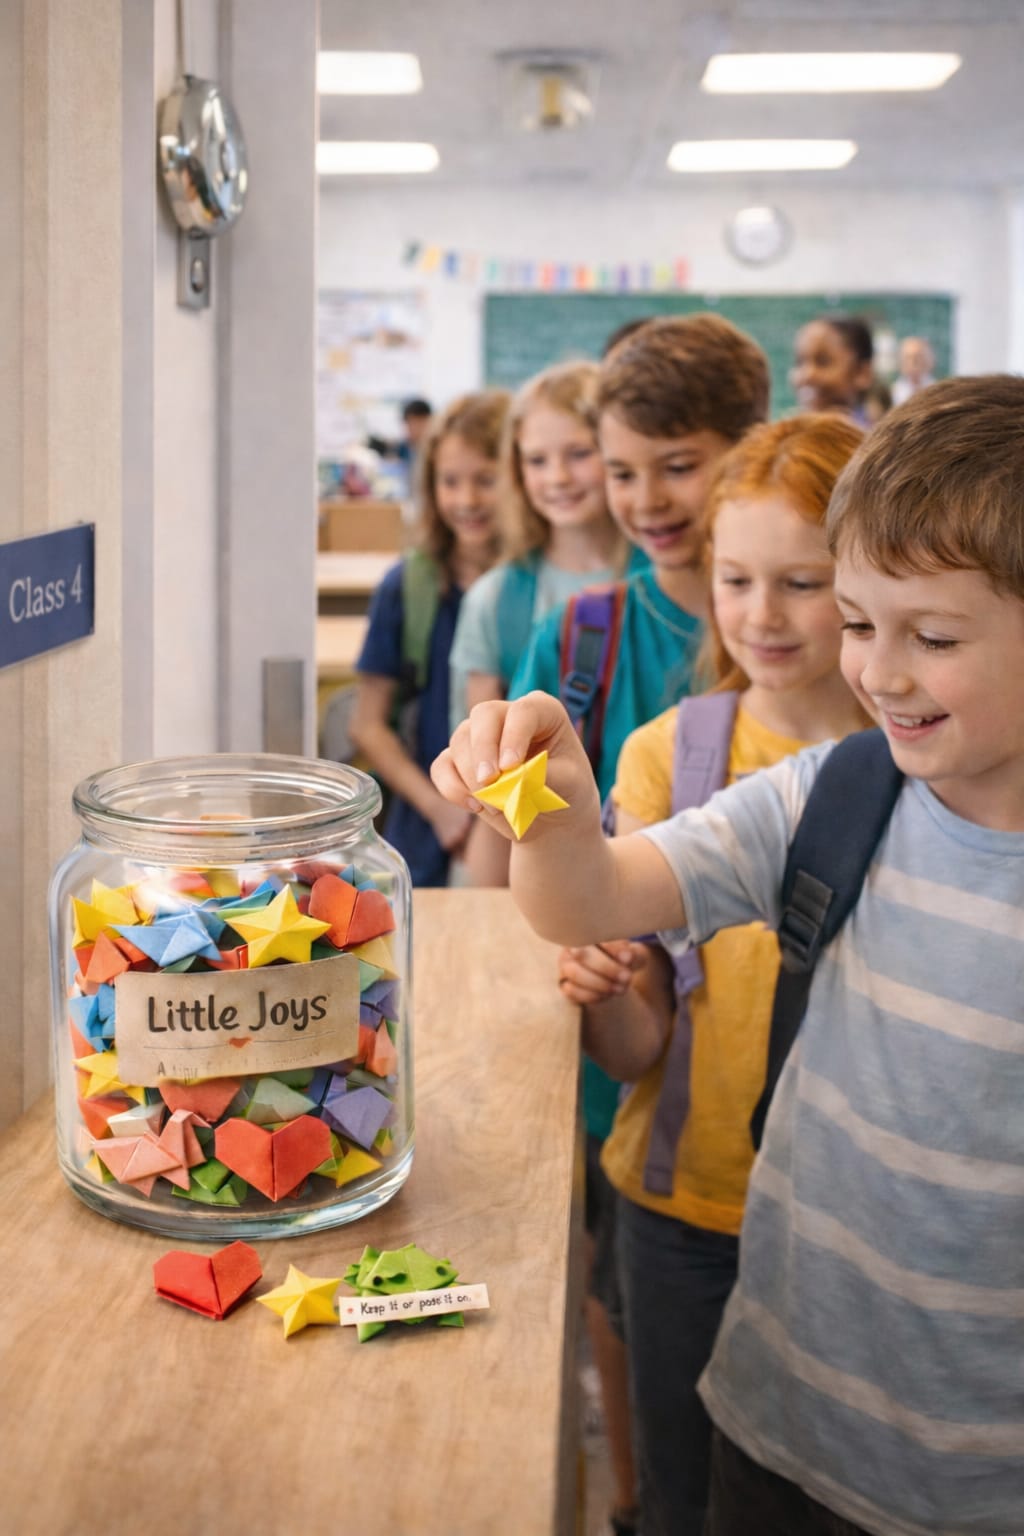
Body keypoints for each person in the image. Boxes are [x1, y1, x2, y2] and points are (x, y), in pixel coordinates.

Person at [432, 374, 1024, 1536]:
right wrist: (553, 805)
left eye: (933, 636)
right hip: (782, 1426)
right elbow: (593, 898)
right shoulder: (833, 794)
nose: (880, 672)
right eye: (858, 622)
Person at [556, 413, 867, 1536]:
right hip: (683, 1206)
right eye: (735, 579)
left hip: (856, 1228)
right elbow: (640, 1048)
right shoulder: (666, 754)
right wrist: (604, 996)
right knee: (685, 1494)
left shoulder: (924, 768)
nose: (762, 615)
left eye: (802, 581)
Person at [350, 390, 509, 887]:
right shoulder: (409, 587)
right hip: (426, 831)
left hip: (522, 831)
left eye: (486, 480)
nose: (467, 500)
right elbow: (368, 725)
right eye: (450, 482)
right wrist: (440, 810)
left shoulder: (534, 587)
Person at [449, 361, 626, 730]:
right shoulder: (495, 598)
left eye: (579, 454)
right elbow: (481, 760)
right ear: (516, 470)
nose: (557, 477)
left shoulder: (667, 583)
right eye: (537, 460)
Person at [791, 312, 874, 425]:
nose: (807, 375)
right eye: (799, 362)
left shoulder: (874, 440)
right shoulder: (785, 438)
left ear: (862, 373)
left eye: (823, 362)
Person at [891, 335, 936, 406]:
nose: (912, 363)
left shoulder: (936, 390)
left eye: (917, 357)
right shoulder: (893, 393)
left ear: (928, 360)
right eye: (907, 358)